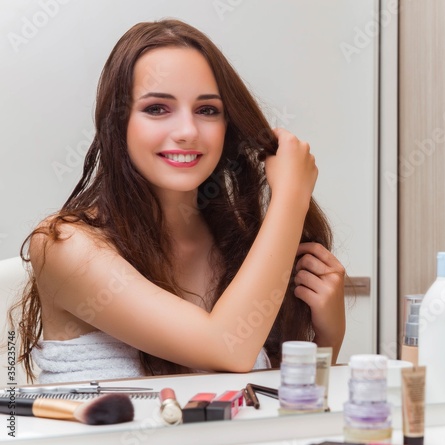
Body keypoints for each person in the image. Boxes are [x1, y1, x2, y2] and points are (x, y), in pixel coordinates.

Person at [9, 19, 346, 384]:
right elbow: (226, 348)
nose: (187, 131)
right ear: (117, 123)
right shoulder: (65, 245)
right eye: (157, 108)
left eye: (207, 110)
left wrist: (329, 337)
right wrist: (292, 196)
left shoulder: (245, 245)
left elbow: (276, 407)